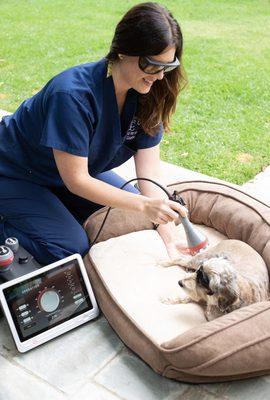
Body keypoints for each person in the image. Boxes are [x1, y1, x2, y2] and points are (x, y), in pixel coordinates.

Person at [0, 2, 188, 265]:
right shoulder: (72, 94)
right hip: (15, 172)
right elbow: (77, 181)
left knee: (131, 213)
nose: (159, 77)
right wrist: (145, 206)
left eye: (167, 67)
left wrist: (169, 238)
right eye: (152, 65)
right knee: (70, 246)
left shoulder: (149, 95)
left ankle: (53, 212)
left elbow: (150, 177)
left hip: (66, 174)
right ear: (123, 51)